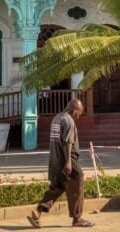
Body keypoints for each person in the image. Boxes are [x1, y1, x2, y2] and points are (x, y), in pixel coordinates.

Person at [28, 98, 94, 228]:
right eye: (79, 113)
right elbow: (67, 142)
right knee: (78, 181)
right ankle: (77, 218)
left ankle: (38, 211)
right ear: (74, 110)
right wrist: (68, 162)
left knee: (58, 187)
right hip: (67, 159)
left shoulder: (57, 118)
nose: (79, 117)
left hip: (55, 159)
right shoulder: (69, 120)